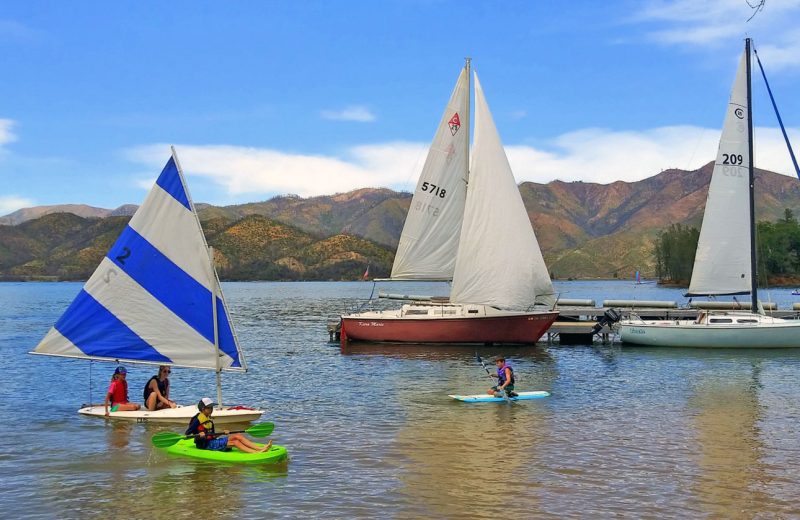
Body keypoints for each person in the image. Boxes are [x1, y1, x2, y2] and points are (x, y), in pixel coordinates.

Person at [185, 398, 271, 453]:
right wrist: (199, 435)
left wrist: (222, 433)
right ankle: (256, 453)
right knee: (235, 442)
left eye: (212, 407)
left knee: (238, 436)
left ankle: (260, 448)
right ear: (203, 409)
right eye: (209, 408)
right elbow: (187, 434)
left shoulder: (208, 418)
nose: (212, 409)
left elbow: (213, 436)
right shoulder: (196, 420)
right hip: (204, 445)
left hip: (211, 442)